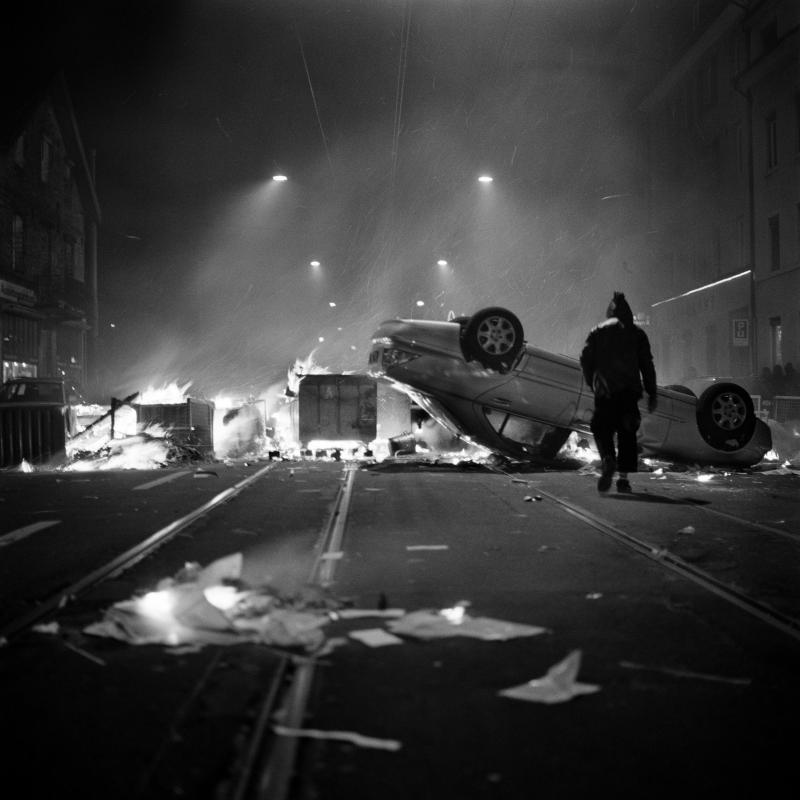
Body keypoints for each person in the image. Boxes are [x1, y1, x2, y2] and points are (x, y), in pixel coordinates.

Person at [580, 291, 658, 493]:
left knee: (601, 428)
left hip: (605, 392)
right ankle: (623, 479)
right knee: (627, 433)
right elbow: (647, 365)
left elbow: (585, 359)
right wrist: (652, 392)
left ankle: (607, 458)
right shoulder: (638, 334)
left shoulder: (598, 331)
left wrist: (592, 381)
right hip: (629, 393)